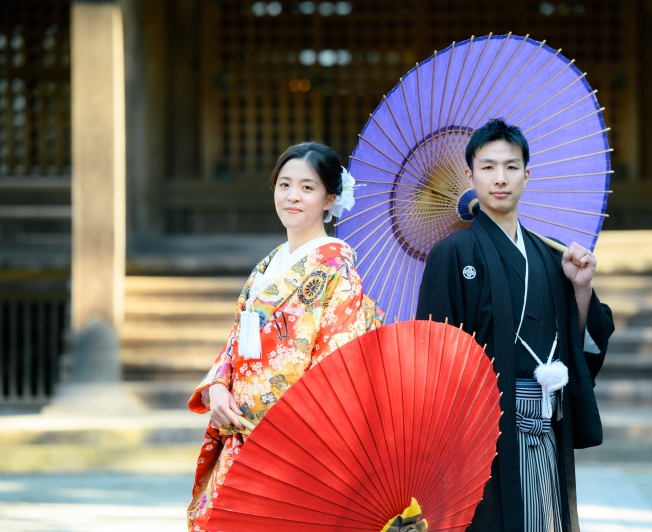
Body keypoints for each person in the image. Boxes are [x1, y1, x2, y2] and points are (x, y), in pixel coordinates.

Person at [416, 119, 614, 532]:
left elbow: (574, 342)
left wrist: (581, 288)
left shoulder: (549, 255)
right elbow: (432, 358)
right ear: (470, 175)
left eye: (511, 166)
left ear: (527, 174)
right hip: (480, 434)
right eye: (488, 167)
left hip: (546, 425)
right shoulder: (451, 254)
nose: (500, 178)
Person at [186, 142, 384, 531]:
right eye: (284, 185)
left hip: (291, 446)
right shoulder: (268, 266)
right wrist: (219, 388)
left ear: (330, 199)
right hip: (238, 433)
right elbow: (235, 342)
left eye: (307, 188)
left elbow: (337, 369)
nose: (293, 196)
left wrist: (276, 421)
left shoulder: (337, 272)